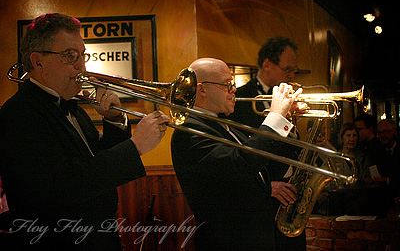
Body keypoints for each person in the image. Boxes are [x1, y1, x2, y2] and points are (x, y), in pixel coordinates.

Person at [0, 13, 169, 250]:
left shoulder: (73, 106)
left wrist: (114, 120)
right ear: (38, 62)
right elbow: (65, 185)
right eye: (70, 56)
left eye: (82, 55)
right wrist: (136, 146)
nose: (81, 65)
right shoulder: (18, 113)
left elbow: (98, 161)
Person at [171, 58, 303, 250]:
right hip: (229, 242)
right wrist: (276, 118)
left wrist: (286, 123)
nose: (234, 90)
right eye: (227, 84)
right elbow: (241, 164)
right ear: (202, 90)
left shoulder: (225, 126)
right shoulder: (189, 132)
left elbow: (269, 169)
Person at [229, 37, 306, 250]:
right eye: (287, 69)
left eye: (294, 70)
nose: (291, 76)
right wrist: (266, 186)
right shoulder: (239, 99)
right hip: (264, 198)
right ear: (267, 65)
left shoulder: (289, 97)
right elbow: (238, 155)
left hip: (292, 194)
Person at [377, 119, 400, 206]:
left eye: (385, 132)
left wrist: (387, 180)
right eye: (379, 133)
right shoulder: (378, 151)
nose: (382, 135)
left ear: (394, 131)